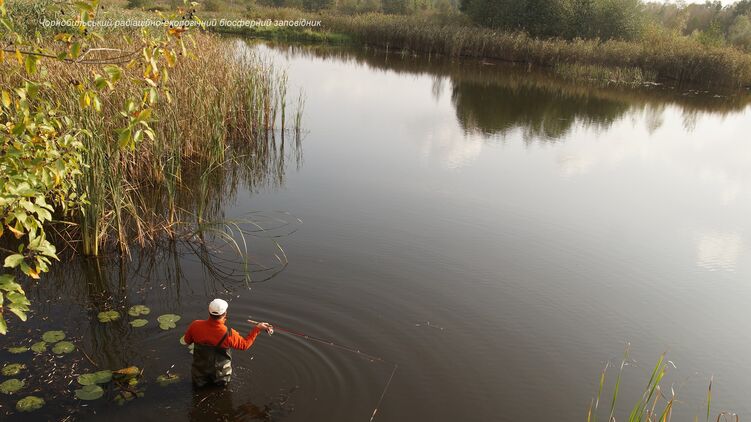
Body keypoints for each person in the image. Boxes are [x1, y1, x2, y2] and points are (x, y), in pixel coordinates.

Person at [183, 298, 272, 387]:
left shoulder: (195, 325)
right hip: (221, 376)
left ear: (209, 312)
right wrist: (257, 329)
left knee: (197, 389)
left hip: (199, 373)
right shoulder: (228, 333)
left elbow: (187, 341)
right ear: (225, 313)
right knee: (222, 391)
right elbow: (245, 345)